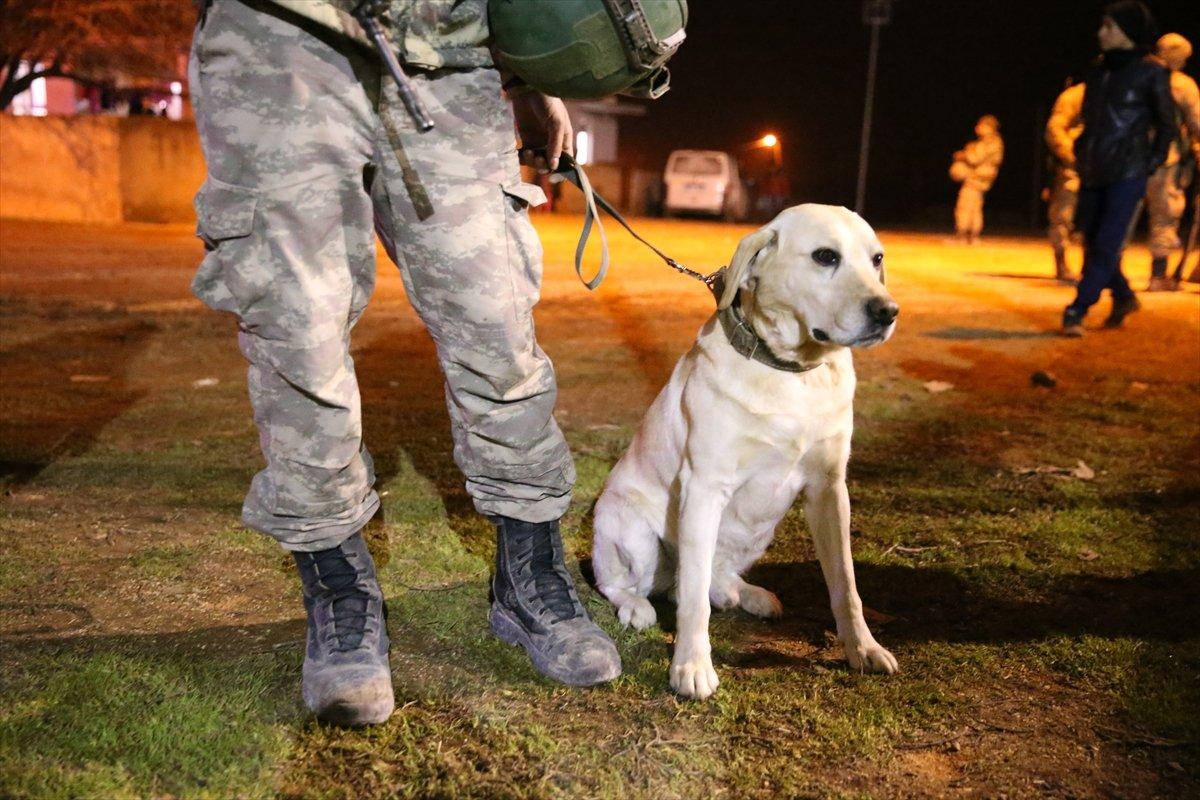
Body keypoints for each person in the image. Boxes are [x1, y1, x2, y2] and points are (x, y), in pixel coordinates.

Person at [188, 0, 621, 726]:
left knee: (498, 327)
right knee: (299, 337)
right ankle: (341, 598)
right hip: (279, 40)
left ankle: (529, 578)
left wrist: (534, 78)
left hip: (452, 52)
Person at [1060, 1, 1174, 337]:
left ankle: (1077, 307)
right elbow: (1091, 119)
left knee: (1107, 242)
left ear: (1127, 32)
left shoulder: (1152, 71)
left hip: (1129, 170)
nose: (1101, 33)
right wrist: (1081, 154)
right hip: (1095, 168)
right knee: (1093, 240)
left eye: (1109, 27)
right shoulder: (1099, 70)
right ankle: (1123, 296)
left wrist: (1151, 161)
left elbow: (1167, 123)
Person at [1145, 33, 1200, 291]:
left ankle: (1103, 270)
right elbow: (1197, 122)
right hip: (1165, 159)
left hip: (1129, 158)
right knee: (1165, 214)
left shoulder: (1136, 75)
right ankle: (1159, 275)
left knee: (1120, 213)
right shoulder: (1182, 85)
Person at [1045, 82, 1086, 283]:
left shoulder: (1121, 89)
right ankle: (1061, 262)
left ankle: (1094, 265)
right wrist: (1070, 154)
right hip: (1075, 165)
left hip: (1106, 164)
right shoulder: (1075, 95)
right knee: (1063, 213)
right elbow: (1055, 128)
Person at [950, 115, 1004, 243]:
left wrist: (962, 155)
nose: (978, 128)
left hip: (977, 177)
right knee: (974, 206)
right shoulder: (990, 142)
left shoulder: (991, 142)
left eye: (982, 126)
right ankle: (972, 236)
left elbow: (975, 158)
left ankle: (962, 234)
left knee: (965, 204)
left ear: (990, 128)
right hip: (981, 177)